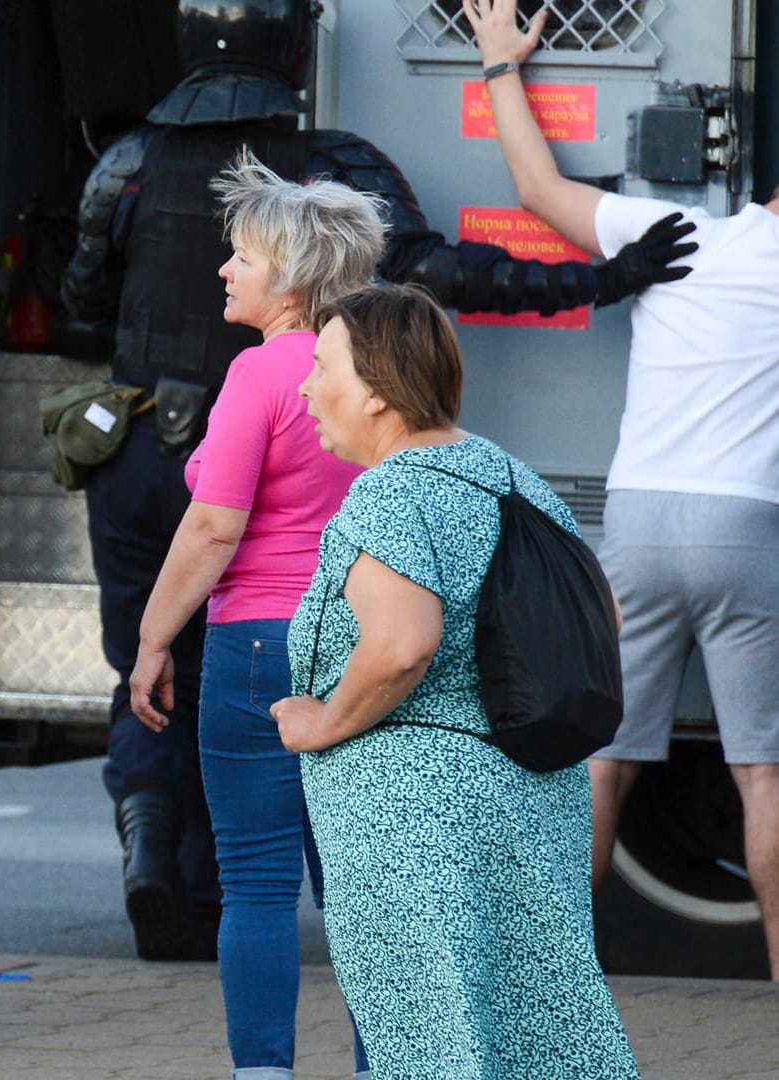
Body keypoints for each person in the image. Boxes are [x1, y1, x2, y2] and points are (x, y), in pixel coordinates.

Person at [57, 0, 687, 964]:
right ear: (291, 48)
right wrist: (599, 282)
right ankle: (247, 893)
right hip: (269, 462)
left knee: (148, 669)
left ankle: (154, 850)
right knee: (266, 705)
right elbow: (443, 273)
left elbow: (81, 302)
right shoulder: (330, 172)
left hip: (143, 452)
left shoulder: (126, 160)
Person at [465, 0, 779, 980]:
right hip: (746, 529)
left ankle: (541, 985)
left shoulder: (675, 233)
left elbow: (533, 184)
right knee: (763, 773)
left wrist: (502, 64)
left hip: (639, 523)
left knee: (605, 762)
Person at [273, 282, 639, 1078]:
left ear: (374, 392)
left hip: (414, 821)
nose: (307, 385)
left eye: (323, 366)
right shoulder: (511, 476)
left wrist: (326, 722)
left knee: (433, 1046)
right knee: (537, 1044)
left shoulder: (390, 493)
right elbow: (601, 617)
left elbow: (402, 643)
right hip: (530, 802)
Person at [127, 150, 380, 1078]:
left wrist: (153, 640)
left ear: (294, 276)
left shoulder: (262, 374)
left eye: (242, 256)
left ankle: (264, 1072)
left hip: (256, 649)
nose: (225, 269)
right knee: (363, 893)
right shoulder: (380, 370)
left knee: (259, 887)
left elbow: (212, 527)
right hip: (364, 642)